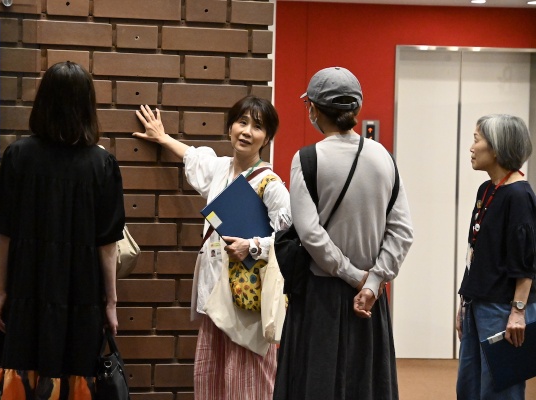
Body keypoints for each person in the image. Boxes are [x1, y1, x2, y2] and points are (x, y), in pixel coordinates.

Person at [133, 95, 291, 399]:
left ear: (267, 138)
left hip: (247, 303)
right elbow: (192, 157)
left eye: (257, 127)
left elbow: (290, 239)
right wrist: (162, 137)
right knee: (213, 383)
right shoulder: (220, 169)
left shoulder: (270, 184)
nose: (246, 132)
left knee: (249, 386)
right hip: (215, 299)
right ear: (230, 127)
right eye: (241, 122)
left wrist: (252, 246)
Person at [273, 67, 414, 400]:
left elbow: (310, 234)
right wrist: (373, 281)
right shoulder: (384, 157)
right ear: (357, 108)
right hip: (370, 299)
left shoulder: (307, 159)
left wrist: (353, 275)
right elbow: (402, 230)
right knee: (366, 386)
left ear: (314, 109)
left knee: (316, 385)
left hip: (319, 297)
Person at [0, 61, 125, 399]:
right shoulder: (102, 164)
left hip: (27, 287)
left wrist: (3, 291)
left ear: (43, 102)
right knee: (77, 367)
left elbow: (5, 233)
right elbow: (108, 244)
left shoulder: (17, 156)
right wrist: (111, 301)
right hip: (82, 293)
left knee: (24, 364)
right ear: (87, 106)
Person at [456, 114, 536, 399]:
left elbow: (526, 262)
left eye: (477, 140)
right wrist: (464, 301)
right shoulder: (487, 190)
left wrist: (518, 312)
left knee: (501, 391)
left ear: (497, 147)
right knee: (469, 388)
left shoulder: (519, 196)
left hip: (503, 310)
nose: (471, 148)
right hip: (477, 303)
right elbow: (475, 250)